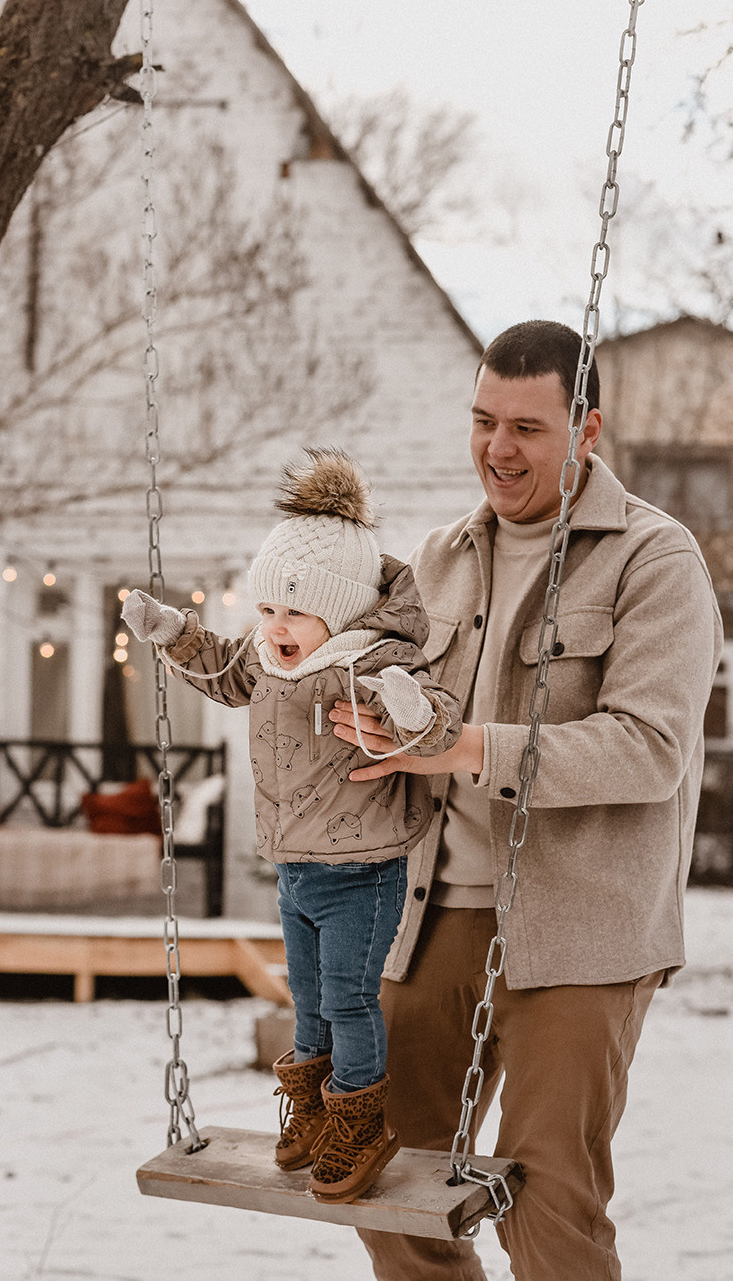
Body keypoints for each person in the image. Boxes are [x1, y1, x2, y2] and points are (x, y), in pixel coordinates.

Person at [326, 321, 723, 1279]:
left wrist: (462, 745)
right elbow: (377, 701)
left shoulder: (653, 560)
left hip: (581, 925)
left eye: (526, 428)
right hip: (431, 914)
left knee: (548, 1205)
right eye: (482, 420)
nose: (497, 449)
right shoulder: (436, 558)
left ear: (586, 429)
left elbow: (648, 748)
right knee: (389, 1183)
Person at [121, 447, 462, 1205]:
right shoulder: (268, 659)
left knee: (347, 999)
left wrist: (408, 709)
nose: (275, 627)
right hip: (296, 870)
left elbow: (437, 719)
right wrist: (171, 631)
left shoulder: (373, 662)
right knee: (305, 1002)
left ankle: (359, 1124)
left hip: (363, 874)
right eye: (268, 609)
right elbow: (220, 668)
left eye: (294, 613)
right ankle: (311, 1110)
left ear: (340, 610)